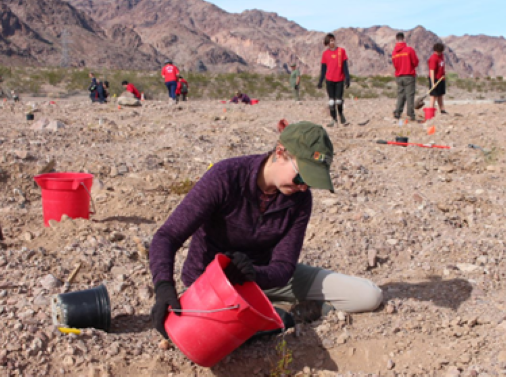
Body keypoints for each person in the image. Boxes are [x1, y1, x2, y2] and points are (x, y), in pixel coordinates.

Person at [149, 120, 383, 339]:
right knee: (207, 337)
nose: (303, 187)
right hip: (211, 287)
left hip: (264, 278)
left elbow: (283, 267)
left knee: (369, 296)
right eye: (301, 176)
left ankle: (272, 314)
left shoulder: (300, 199)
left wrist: (254, 274)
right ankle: (277, 316)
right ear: (280, 152)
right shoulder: (225, 177)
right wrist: (163, 286)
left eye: (310, 181)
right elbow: (167, 236)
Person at [317, 33, 350, 127]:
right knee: (331, 101)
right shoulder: (325, 54)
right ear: (327, 43)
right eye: (330, 41)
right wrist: (320, 81)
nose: (332, 42)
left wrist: (347, 77)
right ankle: (334, 119)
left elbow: (345, 66)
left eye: (333, 40)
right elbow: (323, 69)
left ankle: (341, 115)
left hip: (339, 79)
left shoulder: (341, 51)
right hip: (329, 80)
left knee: (338, 101)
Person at [392, 32, 419, 121]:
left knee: (401, 95)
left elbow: (395, 65)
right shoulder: (409, 50)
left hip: (399, 76)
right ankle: (410, 114)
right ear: (404, 39)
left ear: (396, 40)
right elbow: (415, 62)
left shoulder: (394, 53)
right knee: (409, 95)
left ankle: (397, 112)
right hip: (409, 75)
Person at [428, 42, 447, 114]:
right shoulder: (433, 58)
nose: (439, 53)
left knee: (440, 95)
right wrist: (433, 83)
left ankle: (442, 110)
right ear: (435, 51)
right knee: (433, 96)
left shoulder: (442, 56)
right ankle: (430, 111)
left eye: (441, 52)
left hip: (441, 78)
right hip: (435, 79)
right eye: (438, 52)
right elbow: (432, 71)